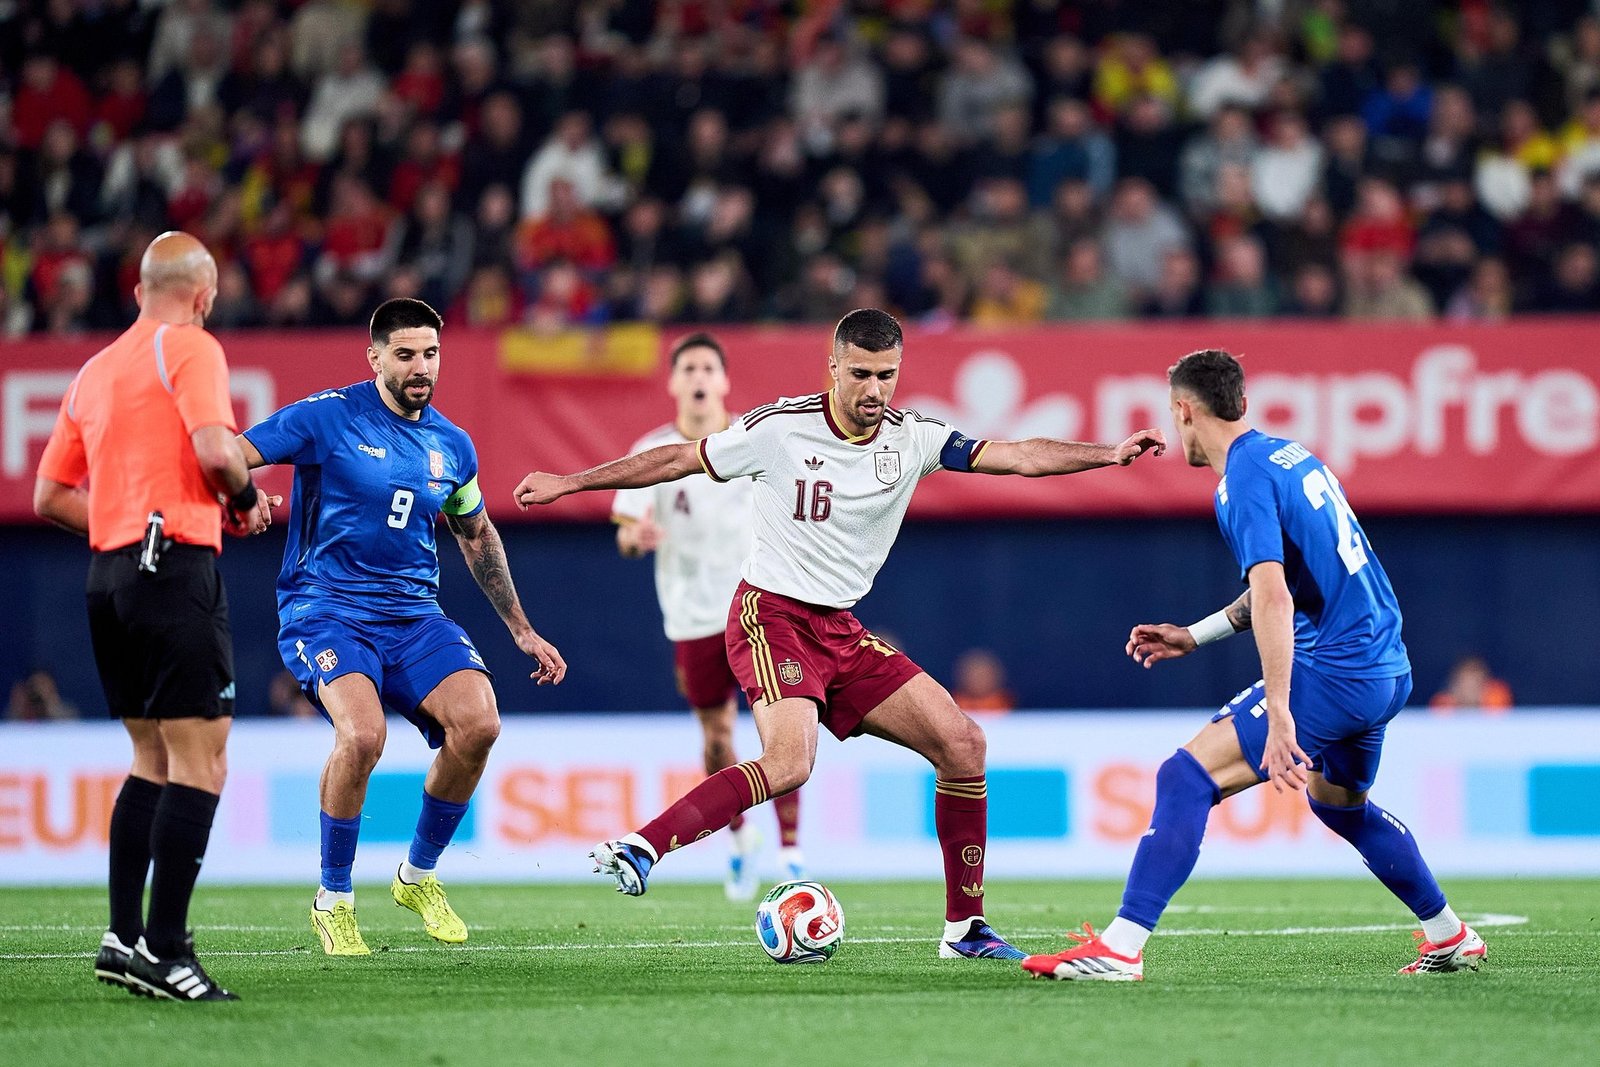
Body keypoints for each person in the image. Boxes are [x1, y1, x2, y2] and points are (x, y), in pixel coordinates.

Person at [515, 308, 1164, 959]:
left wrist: (1107, 453)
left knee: (964, 743)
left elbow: (1019, 455)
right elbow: (678, 458)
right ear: (832, 368)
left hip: (841, 630)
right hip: (771, 615)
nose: (874, 389)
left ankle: (965, 929)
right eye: (859, 374)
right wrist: (570, 482)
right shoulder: (778, 428)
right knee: (790, 762)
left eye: (886, 374)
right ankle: (643, 846)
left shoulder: (916, 438)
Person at [1021, 349, 1486, 982]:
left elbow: (1273, 596)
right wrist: (1196, 635)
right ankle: (1449, 935)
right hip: (1385, 666)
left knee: (1185, 778)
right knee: (1340, 806)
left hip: (1338, 670)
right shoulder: (1289, 455)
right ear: (1240, 401)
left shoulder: (1241, 479)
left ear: (1184, 411)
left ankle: (1120, 949)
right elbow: (1289, 580)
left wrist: (1282, 711)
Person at [237, 297, 566, 956]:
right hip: (325, 611)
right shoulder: (327, 416)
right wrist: (241, 497)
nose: (421, 367)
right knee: (363, 736)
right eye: (406, 354)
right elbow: (232, 452)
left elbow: (476, 534)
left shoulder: (453, 445)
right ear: (376, 358)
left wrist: (521, 628)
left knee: (479, 724)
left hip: (414, 616)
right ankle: (333, 898)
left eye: (431, 353)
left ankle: (417, 877)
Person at [34, 231, 274, 1002]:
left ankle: (122, 936)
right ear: (204, 296)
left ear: (139, 290)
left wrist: (126, 525)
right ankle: (167, 949)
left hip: (110, 575)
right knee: (203, 759)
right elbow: (217, 452)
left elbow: (48, 495)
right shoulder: (192, 346)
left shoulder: (93, 371)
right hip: (172, 569)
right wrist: (245, 500)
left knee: (152, 758)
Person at [610, 332, 803, 902]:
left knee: (782, 731)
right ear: (674, 382)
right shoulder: (652, 450)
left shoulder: (753, 439)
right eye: (688, 368)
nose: (698, 377)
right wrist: (636, 538)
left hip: (761, 608)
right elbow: (625, 531)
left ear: (723, 380)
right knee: (717, 737)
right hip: (693, 617)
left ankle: (791, 853)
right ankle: (741, 837)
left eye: (707, 368)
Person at [1430, 655, 1513, 714]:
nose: (1472, 689)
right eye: (1467, 684)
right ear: (1455, 685)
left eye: (1477, 683)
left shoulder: (1497, 701)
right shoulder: (1443, 705)